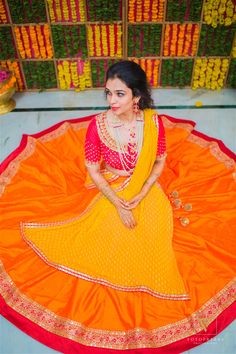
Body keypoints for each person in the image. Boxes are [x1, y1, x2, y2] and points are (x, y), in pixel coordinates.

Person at [0, 61, 235, 354]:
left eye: (120, 94)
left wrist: (145, 190)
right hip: (111, 186)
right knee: (110, 230)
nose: (112, 101)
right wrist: (119, 204)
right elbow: (94, 170)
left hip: (146, 188)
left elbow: (159, 161)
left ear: (136, 96)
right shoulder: (98, 126)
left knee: (150, 232)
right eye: (108, 93)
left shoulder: (152, 122)